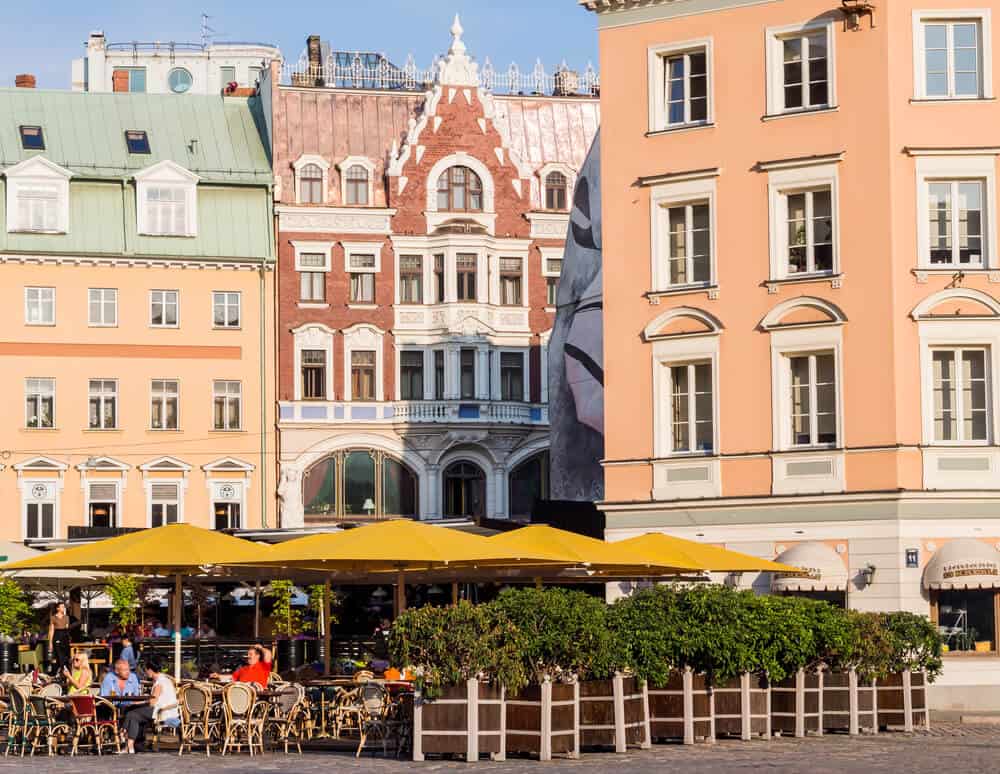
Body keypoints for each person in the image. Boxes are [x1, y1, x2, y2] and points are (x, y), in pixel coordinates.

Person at [121, 658, 179, 755]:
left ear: (150, 670)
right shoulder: (163, 679)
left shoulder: (159, 682)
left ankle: (123, 735)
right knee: (133, 715)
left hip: (162, 712)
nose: (146, 673)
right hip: (164, 710)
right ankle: (130, 745)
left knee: (132, 713)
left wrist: (138, 703)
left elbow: (152, 702)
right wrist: (139, 703)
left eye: (146, 670)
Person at [48, 602, 72, 671]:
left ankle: (65, 671)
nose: (63, 608)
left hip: (65, 636)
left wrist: (69, 637)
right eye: (62, 607)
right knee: (59, 654)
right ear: (57, 608)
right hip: (57, 635)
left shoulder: (66, 617)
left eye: (64, 607)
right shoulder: (53, 618)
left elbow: (67, 628)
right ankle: (61, 671)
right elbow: (51, 630)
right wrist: (50, 642)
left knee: (66, 655)